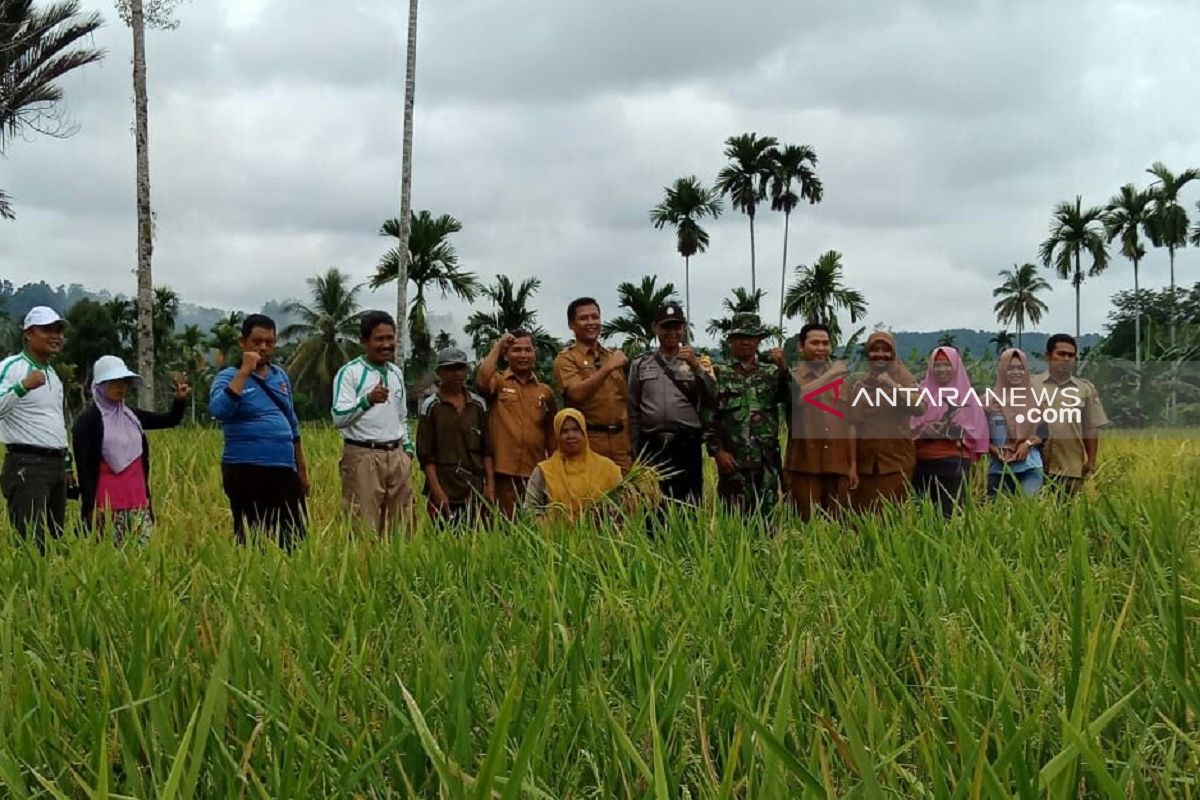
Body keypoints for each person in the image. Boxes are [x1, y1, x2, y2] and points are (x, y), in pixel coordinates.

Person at [209, 314, 309, 548]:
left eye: (269, 342)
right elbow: (219, 410)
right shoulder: (227, 377)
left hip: (283, 470)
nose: (263, 347)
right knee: (253, 538)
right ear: (242, 342)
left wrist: (301, 470)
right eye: (257, 341)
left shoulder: (280, 376)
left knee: (293, 538)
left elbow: (292, 423)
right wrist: (244, 371)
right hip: (246, 469)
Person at [72, 355, 189, 543]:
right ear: (100, 385)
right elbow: (84, 468)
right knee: (110, 560)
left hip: (138, 502)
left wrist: (180, 400)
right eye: (114, 382)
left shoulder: (131, 416)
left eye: (125, 382)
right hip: (107, 505)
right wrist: (90, 507)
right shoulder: (88, 421)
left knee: (142, 559)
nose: (121, 387)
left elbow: (169, 420)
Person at [331, 311, 415, 535]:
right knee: (363, 529)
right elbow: (338, 418)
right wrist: (367, 401)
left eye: (391, 338)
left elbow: (402, 416)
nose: (386, 344)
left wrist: (407, 451)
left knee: (402, 529)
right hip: (363, 457)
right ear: (364, 341)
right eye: (380, 339)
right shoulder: (350, 373)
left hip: (396, 456)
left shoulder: (396, 373)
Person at [627, 303, 715, 504]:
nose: (672, 332)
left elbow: (713, 396)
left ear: (683, 328)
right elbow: (632, 408)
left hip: (686, 444)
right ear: (655, 328)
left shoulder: (699, 361)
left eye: (676, 327)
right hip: (652, 445)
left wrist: (696, 367)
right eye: (666, 327)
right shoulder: (641, 364)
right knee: (654, 505)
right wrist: (634, 448)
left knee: (689, 505)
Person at [704, 314, 790, 512]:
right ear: (731, 341)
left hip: (766, 462)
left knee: (766, 521)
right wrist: (717, 452)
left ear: (758, 340)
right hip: (733, 463)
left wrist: (785, 369)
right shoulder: (719, 373)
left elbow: (793, 400)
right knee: (734, 523)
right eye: (740, 337)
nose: (745, 342)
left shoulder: (772, 373)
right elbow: (709, 418)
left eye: (750, 337)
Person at [0, 306, 71, 545]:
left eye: (59, 330)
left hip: (56, 465)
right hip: (27, 464)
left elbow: (56, 421)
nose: (56, 336)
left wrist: (67, 463)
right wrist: (22, 387)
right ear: (28, 334)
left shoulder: (53, 375)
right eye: (47, 329)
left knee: (55, 539)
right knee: (31, 542)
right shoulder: (12, 367)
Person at [477, 329, 557, 517]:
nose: (522, 355)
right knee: (502, 528)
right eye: (516, 350)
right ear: (506, 355)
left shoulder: (544, 392)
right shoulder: (498, 382)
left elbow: (552, 434)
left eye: (527, 350)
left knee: (534, 527)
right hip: (502, 472)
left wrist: (554, 469)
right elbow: (481, 380)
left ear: (534, 354)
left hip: (535, 473)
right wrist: (498, 346)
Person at [784, 323, 857, 522]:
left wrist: (852, 465)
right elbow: (799, 397)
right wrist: (830, 375)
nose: (821, 348)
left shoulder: (844, 382)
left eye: (825, 343)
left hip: (838, 464)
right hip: (804, 464)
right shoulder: (791, 377)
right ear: (801, 346)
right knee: (804, 526)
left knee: (839, 527)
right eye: (814, 343)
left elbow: (851, 424)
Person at [553, 297, 632, 472]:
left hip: (621, 445)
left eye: (595, 317)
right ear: (571, 325)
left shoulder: (611, 355)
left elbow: (624, 401)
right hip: (589, 443)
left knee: (626, 496)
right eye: (583, 318)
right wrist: (608, 368)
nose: (591, 322)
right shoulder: (566, 359)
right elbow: (576, 394)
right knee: (592, 497)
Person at [847, 331, 923, 513]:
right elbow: (853, 425)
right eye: (875, 350)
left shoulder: (903, 378)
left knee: (892, 518)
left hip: (895, 463)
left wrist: (892, 385)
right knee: (864, 518)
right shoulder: (861, 385)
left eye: (885, 350)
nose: (880, 354)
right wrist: (852, 466)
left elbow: (919, 407)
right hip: (866, 466)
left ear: (893, 353)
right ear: (868, 354)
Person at [417, 347, 494, 524]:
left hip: (474, 488)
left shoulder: (478, 405)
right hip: (444, 486)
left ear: (467, 371)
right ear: (439, 373)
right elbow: (426, 456)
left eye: (461, 368)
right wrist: (437, 491)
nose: (456, 374)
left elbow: (487, 451)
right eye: (450, 369)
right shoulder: (431, 407)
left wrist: (489, 486)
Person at [910, 346, 988, 518]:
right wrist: (924, 430)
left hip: (953, 463)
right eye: (936, 365)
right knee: (923, 514)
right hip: (922, 463)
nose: (941, 369)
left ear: (956, 367)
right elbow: (908, 426)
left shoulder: (967, 397)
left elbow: (977, 431)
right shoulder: (920, 393)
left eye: (947, 365)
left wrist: (951, 429)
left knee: (949, 515)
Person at [1032, 334, 1109, 495]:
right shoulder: (1031, 385)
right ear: (1048, 356)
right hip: (1034, 466)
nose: (1066, 359)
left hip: (1071, 467)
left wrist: (1092, 461)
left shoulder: (1085, 389)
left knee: (1070, 515)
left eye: (1071, 355)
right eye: (1061, 354)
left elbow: (1090, 428)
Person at [524, 408, 622, 520]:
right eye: (564, 431)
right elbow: (530, 509)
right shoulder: (544, 470)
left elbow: (622, 507)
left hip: (600, 535)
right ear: (557, 436)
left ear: (584, 433)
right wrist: (547, 529)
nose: (571, 435)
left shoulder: (607, 468)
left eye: (576, 430)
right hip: (556, 536)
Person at [985, 348, 1047, 498]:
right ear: (1002, 371)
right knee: (997, 516)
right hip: (999, 470)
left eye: (1020, 368)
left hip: (1030, 467)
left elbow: (1045, 431)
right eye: (1010, 368)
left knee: (1027, 514)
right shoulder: (988, 401)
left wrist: (1027, 444)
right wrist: (994, 450)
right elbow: (979, 435)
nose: (1016, 372)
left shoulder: (1037, 399)